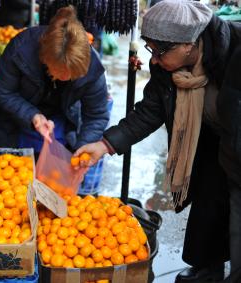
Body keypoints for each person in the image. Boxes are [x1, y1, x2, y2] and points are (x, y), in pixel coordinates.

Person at [74, 1, 241, 282]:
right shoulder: (167, 66)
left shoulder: (236, 52)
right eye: (150, 48)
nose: (153, 59)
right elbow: (151, 110)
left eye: (158, 50)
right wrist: (104, 145)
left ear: (188, 45)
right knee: (209, 204)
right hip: (212, 141)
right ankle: (207, 268)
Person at [0, 5, 110, 153]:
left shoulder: (92, 66)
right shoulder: (21, 49)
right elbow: (1, 91)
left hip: (60, 119)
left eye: (72, 75)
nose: (65, 78)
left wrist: (83, 148)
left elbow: (96, 115)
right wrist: (32, 115)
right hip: (12, 121)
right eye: (60, 72)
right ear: (45, 58)